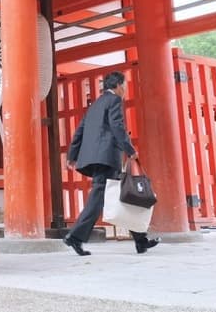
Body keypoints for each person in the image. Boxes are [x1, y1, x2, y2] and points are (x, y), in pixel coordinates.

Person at [64, 71, 159, 256]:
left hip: (95, 157)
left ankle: (140, 240)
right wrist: (130, 150)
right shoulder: (114, 101)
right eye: (125, 85)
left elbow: (80, 130)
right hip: (107, 156)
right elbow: (117, 126)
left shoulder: (95, 104)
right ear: (117, 86)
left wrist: (72, 155)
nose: (125, 89)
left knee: (121, 193)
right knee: (104, 196)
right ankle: (75, 236)